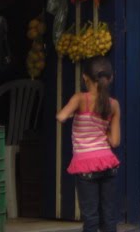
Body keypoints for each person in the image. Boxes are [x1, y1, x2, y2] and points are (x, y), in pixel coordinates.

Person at [57, 57, 121, 232]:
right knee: (109, 216)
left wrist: (71, 114)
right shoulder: (113, 105)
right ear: (110, 78)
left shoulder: (79, 99)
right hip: (108, 164)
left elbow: (61, 117)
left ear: (85, 78)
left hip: (86, 168)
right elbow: (115, 141)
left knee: (91, 217)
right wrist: (104, 129)